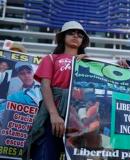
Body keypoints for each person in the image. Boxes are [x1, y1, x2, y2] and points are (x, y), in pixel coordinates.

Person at [27, 21, 89, 160]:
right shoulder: (51, 58)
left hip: (78, 115)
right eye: (71, 33)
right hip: (53, 113)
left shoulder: (88, 63)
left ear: (83, 41)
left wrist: (123, 64)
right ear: (62, 37)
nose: (75, 36)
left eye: (80, 35)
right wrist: (54, 115)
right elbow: (45, 86)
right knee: (44, 154)